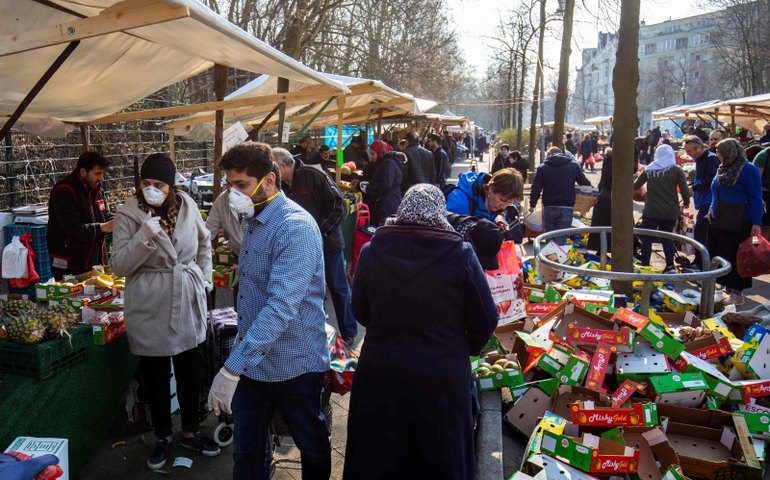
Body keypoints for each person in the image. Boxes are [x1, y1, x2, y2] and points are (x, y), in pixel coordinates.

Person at [343, 184, 497, 480]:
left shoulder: (371, 251)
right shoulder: (461, 254)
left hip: (381, 370)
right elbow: (486, 318)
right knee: (440, 457)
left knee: (377, 453)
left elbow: (359, 311)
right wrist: (466, 349)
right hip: (442, 374)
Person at [207, 142, 331, 480]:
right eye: (229, 185)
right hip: (253, 361)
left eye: (241, 185)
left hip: (294, 361)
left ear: (270, 181)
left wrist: (230, 370)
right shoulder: (253, 219)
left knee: (311, 442)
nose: (233, 194)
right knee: (246, 449)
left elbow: (281, 306)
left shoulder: (294, 227)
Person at [110, 153, 219, 471]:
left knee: (190, 371)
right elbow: (118, 265)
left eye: (159, 184)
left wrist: (204, 278)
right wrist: (144, 236)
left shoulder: (187, 206)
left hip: (186, 294)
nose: (152, 189)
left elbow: (204, 242)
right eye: (146, 183)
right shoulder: (127, 212)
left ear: (172, 186)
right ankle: (161, 436)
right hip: (149, 299)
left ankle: (191, 431)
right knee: (155, 377)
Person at [273, 147, 358, 344]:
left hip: (328, 245)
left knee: (338, 288)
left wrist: (320, 231)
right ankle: (313, 333)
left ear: (284, 166)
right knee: (308, 291)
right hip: (298, 248)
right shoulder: (280, 184)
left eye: (274, 167)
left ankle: (349, 331)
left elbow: (339, 206)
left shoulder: (315, 175)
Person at [707, 138, 763, 306]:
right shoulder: (723, 168)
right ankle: (727, 288)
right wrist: (712, 209)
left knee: (736, 255)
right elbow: (715, 193)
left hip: (740, 220)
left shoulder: (748, 169)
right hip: (721, 219)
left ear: (728, 152)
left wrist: (756, 222)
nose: (716, 154)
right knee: (723, 253)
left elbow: (755, 198)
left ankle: (737, 293)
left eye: (719, 151)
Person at [47, 151, 112, 278]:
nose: (101, 178)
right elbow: (73, 229)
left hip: (91, 262)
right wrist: (103, 227)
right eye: (97, 173)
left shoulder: (97, 190)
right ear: (83, 172)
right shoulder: (64, 191)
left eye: (102, 173)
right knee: (71, 296)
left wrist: (118, 220)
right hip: (68, 264)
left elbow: (104, 215)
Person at [632, 144, 690, 273]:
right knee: (667, 237)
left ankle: (645, 265)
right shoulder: (676, 170)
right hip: (670, 211)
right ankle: (670, 266)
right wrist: (686, 202)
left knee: (647, 238)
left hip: (651, 210)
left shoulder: (650, 169)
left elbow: (635, 186)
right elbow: (685, 190)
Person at [529, 148, 592, 244]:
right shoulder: (573, 166)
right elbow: (585, 183)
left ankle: (549, 255)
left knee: (549, 234)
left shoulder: (543, 167)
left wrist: (532, 204)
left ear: (548, 154)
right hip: (566, 205)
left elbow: (536, 188)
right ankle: (559, 256)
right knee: (562, 234)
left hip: (549, 205)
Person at [682, 135, 720, 270]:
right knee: (701, 232)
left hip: (710, 202)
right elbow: (700, 179)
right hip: (702, 201)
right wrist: (691, 185)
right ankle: (702, 262)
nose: (687, 154)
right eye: (686, 151)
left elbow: (712, 180)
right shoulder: (699, 159)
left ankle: (701, 263)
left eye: (689, 150)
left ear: (698, 148)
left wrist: (695, 187)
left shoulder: (711, 159)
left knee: (701, 232)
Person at [205, 185, 244, 307]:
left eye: (237, 182)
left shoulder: (259, 199)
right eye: (228, 182)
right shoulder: (222, 200)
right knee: (240, 302)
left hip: (260, 257)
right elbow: (207, 231)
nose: (230, 187)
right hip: (238, 254)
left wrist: (247, 266)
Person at [446, 168, 524, 223]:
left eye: (510, 203)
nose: (503, 207)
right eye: (502, 200)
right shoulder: (460, 202)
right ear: (491, 188)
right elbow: (451, 238)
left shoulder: (491, 202)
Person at [355, 151, 405, 226]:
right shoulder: (393, 163)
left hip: (387, 204)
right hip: (391, 202)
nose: (372, 157)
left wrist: (368, 189)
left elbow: (385, 184)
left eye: (373, 153)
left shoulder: (389, 163)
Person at [587, 148, 613, 252]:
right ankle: (603, 250)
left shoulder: (607, 160)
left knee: (601, 224)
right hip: (608, 197)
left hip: (604, 197)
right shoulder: (610, 161)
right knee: (606, 224)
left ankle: (601, 250)